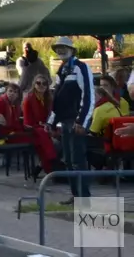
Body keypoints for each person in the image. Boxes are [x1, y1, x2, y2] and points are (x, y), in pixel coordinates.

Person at [45, 37, 93, 203]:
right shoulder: (62, 70)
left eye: (63, 48)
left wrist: (83, 122)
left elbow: (88, 95)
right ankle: (76, 195)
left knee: (78, 160)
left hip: (75, 121)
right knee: (69, 160)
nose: (60, 51)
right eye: (58, 48)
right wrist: (51, 121)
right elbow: (57, 100)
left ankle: (84, 198)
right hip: (64, 121)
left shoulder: (81, 67)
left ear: (72, 50)